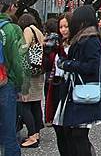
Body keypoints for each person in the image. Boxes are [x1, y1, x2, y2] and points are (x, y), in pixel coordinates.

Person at [53, 5, 101, 156]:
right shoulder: (85, 37)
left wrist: (67, 64)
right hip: (78, 91)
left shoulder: (90, 39)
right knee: (74, 133)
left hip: (84, 92)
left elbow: (91, 66)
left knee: (78, 135)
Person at [0, 0, 27, 156]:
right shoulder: (11, 29)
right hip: (6, 83)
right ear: (10, 7)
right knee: (9, 131)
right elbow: (18, 62)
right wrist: (20, 84)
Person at [17, 14, 45, 149]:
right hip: (38, 73)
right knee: (35, 104)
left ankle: (32, 136)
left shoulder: (28, 30)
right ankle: (36, 134)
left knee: (24, 105)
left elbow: (24, 48)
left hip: (29, 73)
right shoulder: (38, 31)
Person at [44, 13, 70, 126]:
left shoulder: (76, 44)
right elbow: (49, 64)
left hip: (69, 85)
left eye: (66, 26)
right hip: (56, 83)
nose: (63, 30)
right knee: (57, 124)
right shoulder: (57, 44)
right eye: (61, 27)